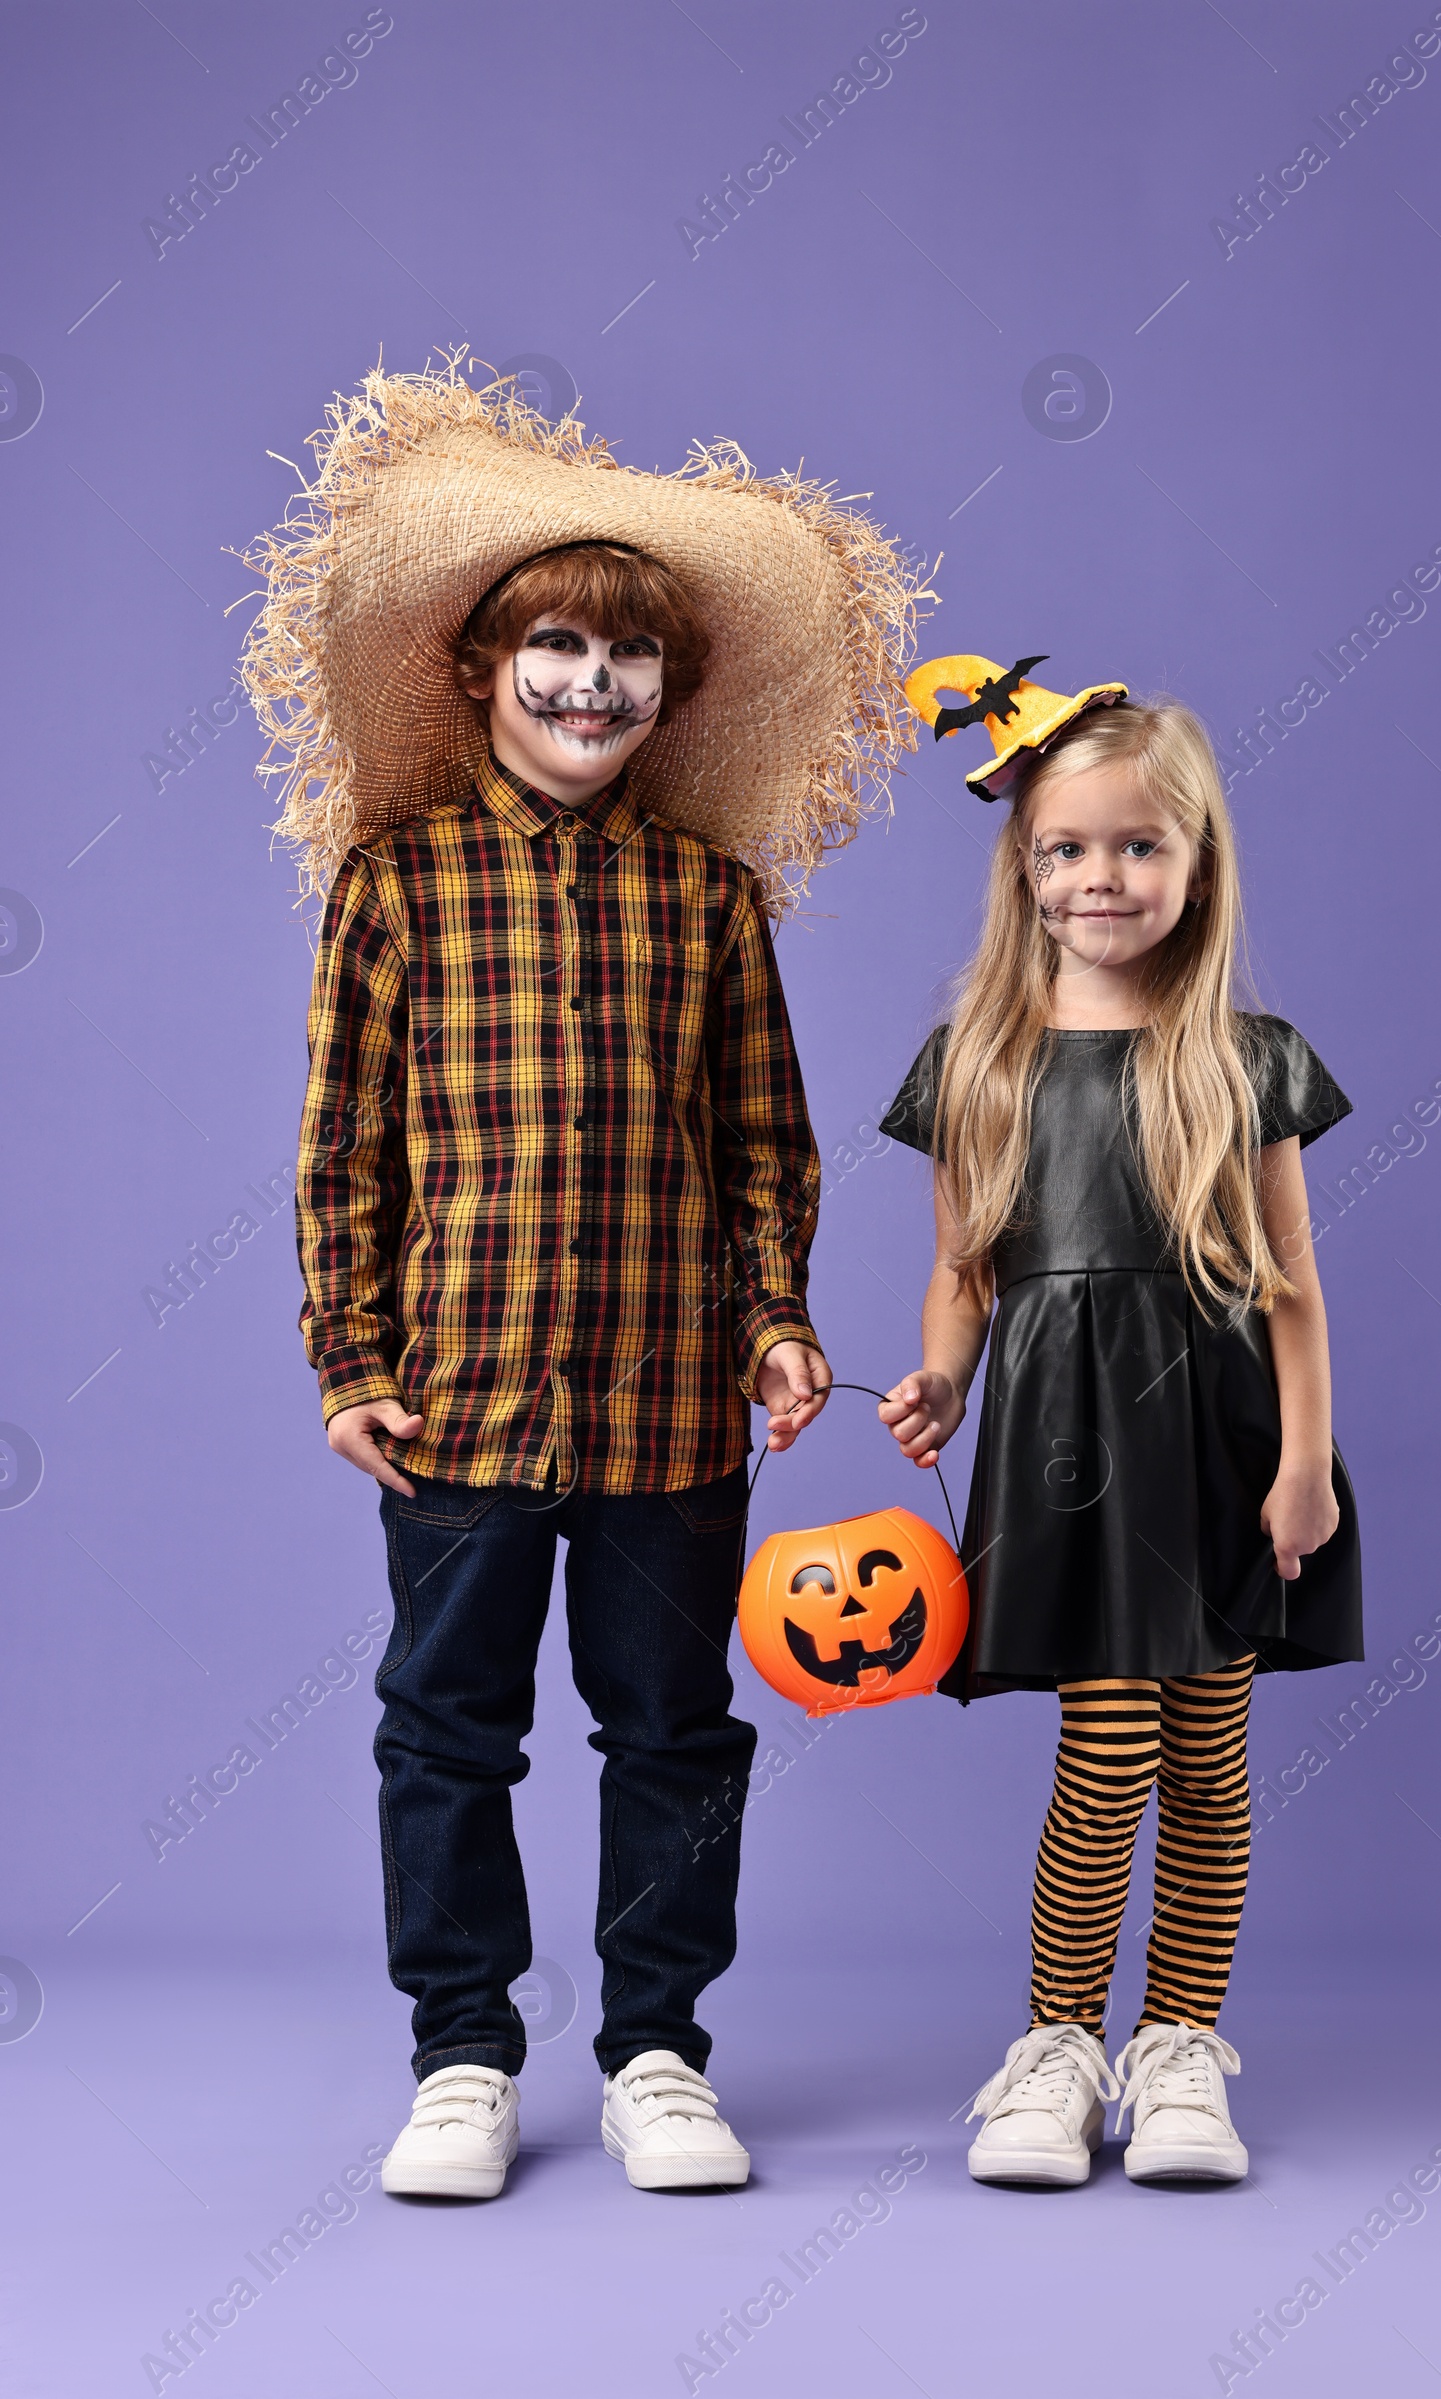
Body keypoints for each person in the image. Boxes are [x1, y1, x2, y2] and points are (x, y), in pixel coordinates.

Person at [239, 362, 924, 2199]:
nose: (590, 686)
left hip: (670, 1400)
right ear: (480, 665)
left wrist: (776, 1327)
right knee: (447, 1726)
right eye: (554, 645)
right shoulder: (394, 881)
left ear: (670, 692)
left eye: (628, 662)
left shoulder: (709, 897)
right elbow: (344, 1149)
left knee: (676, 1728)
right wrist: (347, 1355)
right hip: (459, 1394)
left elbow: (763, 1145)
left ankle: (655, 2051)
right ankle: (462, 2051)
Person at [877, 656, 1362, 2188]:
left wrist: (1300, 1465)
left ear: (1196, 864)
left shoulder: (1241, 1057)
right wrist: (943, 1378)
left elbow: (1289, 1287)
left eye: (1140, 846)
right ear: (1023, 872)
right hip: (1067, 1447)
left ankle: (1179, 2050)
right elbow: (964, 1268)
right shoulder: (981, 1062)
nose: (1104, 876)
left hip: (1215, 1446)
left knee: (1208, 1758)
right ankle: (1058, 2045)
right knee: (1108, 1744)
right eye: (1068, 850)